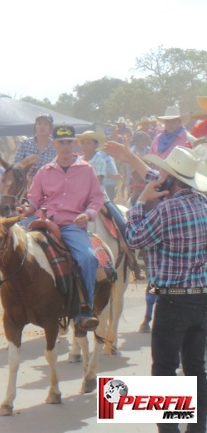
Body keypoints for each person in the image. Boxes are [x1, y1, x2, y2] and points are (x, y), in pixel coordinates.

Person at [113, 143, 207, 433]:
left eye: (163, 174)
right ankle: (197, 429)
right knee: (195, 368)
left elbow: (135, 239)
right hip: (201, 298)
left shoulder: (166, 210)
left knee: (164, 369)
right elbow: (157, 173)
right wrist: (131, 157)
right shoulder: (203, 204)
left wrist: (140, 202)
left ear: (170, 180)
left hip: (173, 301)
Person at [21, 125, 105, 331]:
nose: (65, 146)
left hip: (72, 226)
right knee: (18, 253)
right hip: (46, 224)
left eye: (69, 142)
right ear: (54, 144)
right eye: (61, 142)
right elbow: (33, 199)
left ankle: (86, 309)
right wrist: (25, 208)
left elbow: (97, 198)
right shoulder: (44, 171)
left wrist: (88, 214)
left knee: (88, 258)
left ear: (74, 143)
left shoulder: (87, 169)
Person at [77, 130, 121, 201]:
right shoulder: (78, 161)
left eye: (88, 143)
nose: (85, 146)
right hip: (80, 197)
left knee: (114, 212)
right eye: (83, 143)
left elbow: (97, 184)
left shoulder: (99, 161)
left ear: (96, 145)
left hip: (98, 199)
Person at [13, 113, 57, 178]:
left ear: (51, 128)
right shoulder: (25, 143)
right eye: (39, 124)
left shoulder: (55, 146)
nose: (42, 126)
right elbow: (15, 168)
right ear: (35, 126)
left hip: (48, 184)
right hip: (26, 184)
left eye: (46, 124)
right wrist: (27, 161)